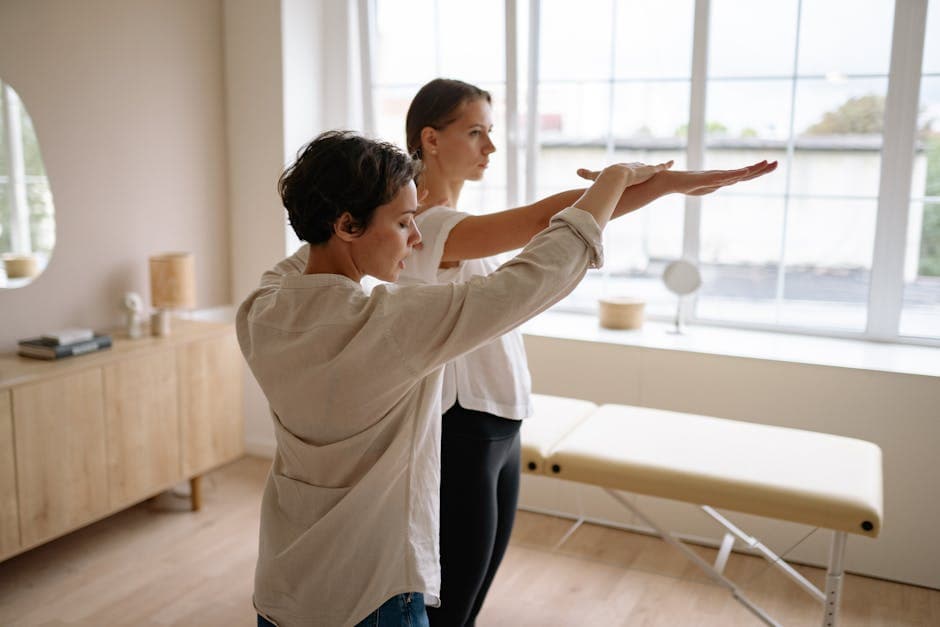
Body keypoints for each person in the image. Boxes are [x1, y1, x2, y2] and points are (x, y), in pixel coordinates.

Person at [269, 80, 777, 626]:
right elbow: (546, 224)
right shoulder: (432, 229)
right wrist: (661, 186)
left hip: (501, 418)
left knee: (471, 588)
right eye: (476, 132)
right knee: (455, 598)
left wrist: (647, 184)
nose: (490, 147)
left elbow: (555, 216)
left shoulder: (387, 242)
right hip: (464, 426)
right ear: (431, 140)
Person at [239, 129, 670, 626]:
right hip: (370, 597)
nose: (417, 238)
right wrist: (614, 179)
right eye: (404, 224)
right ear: (347, 224)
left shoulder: (261, 310)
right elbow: (531, 278)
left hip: (283, 590)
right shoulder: (392, 326)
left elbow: (306, 256)